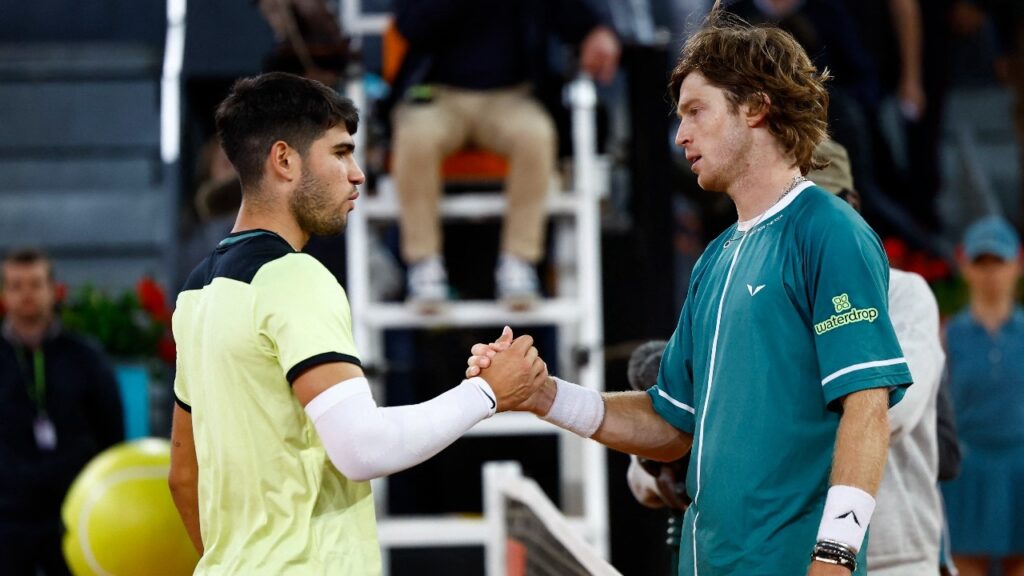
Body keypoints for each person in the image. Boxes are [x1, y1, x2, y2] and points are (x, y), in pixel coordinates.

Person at [468, 10, 912, 575]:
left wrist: (834, 558)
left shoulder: (829, 231)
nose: (680, 134)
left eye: (696, 112)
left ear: (755, 107)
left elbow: (868, 409)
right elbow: (670, 424)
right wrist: (543, 396)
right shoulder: (716, 257)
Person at [167, 72, 548, 575]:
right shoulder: (294, 277)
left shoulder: (196, 291)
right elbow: (361, 448)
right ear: (284, 160)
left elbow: (182, 475)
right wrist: (486, 393)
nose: (358, 174)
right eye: (341, 153)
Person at [390, 0, 620, 310]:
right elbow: (410, 26)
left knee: (536, 135)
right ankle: (423, 264)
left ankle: (519, 263)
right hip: (436, 93)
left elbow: (571, 11)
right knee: (415, 137)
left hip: (511, 96)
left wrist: (598, 29)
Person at [0, 248, 125, 576]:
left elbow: (112, 434)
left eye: (35, 283)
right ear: (4, 293)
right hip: (7, 515)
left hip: (74, 512)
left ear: (52, 289)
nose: (26, 293)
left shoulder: (86, 357)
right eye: (16, 285)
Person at [942, 215, 1024, 576]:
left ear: (1017, 264)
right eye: (981, 262)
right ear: (966, 266)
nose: (991, 274)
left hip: (1021, 467)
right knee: (965, 565)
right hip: (968, 472)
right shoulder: (947, 336)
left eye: (999, 262)